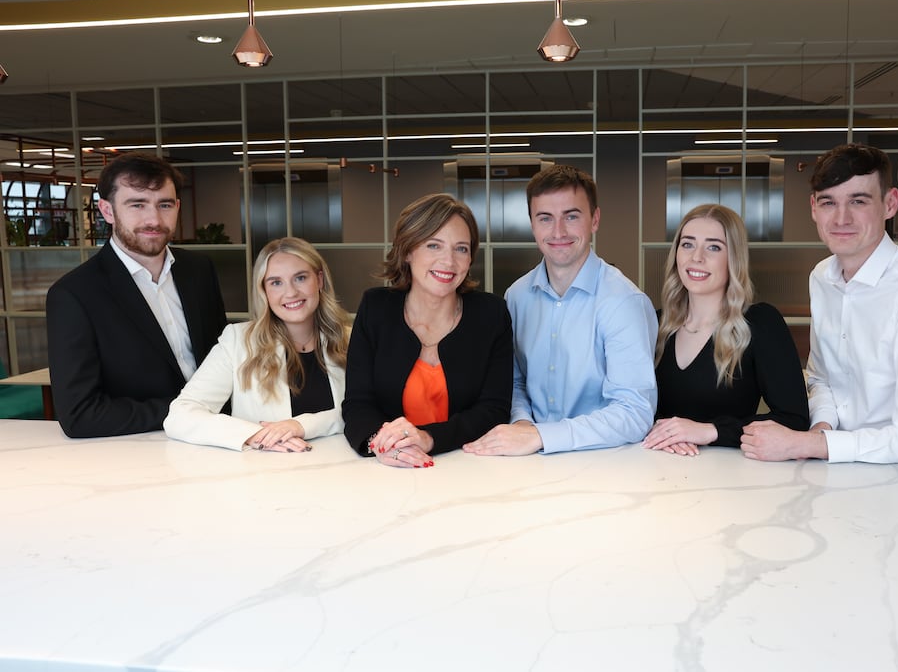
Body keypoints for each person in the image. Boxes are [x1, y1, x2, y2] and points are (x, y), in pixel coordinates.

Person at [740, 143, 898, 463]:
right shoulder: (822, 277)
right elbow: (822, 378)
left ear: (890, 204)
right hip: (831, 462)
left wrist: (806, 445)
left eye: (858, 200)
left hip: (895, 472)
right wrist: (821, 428)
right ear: (814, 208)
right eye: (829, 202)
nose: (841, 217)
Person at [465, 165, 658, 456]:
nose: (558, 231)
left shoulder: (623, 302)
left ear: (594, 219)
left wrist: (542, 436)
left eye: (571, 216)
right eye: (545, 218)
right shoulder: (516, 296)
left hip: (604, 462)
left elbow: (634, 413)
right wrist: (522, 424)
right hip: (528, 458)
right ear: (532, 224)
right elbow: (515, 381)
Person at [46, 152, 227, 438]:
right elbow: (79, 415)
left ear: (178, 207)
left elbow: (222, 360)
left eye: (164, 204)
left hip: (218, 437)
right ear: (107, 211)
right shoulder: (74, 295)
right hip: (137, 447)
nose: (153, 219)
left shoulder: (199, 270)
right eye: (137, 205)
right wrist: (186, 410)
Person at [342, 193, 512, 468]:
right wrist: (382, 444)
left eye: (461, 248)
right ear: (407, 251)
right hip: (389, 467)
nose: (449, 261)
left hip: (470, 464)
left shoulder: (491, 314)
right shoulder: (376, 307)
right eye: (434, 245)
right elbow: (358, 403)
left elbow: (494, 409)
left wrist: (428, 438)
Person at [643, 204, 809, 455]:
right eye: (687, 244)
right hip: (656, 466)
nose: (696, 257)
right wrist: (667, 433)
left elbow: (793, 419)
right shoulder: (654, 324)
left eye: (713, 247)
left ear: (733, 258)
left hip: (731, 477)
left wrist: (710, 431)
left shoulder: (760, 323)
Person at [164, 237, 349, 451]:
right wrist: (254, 435)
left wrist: (301, 425)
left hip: (343, 474)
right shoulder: (238, 341)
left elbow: (370, 411)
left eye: (300, 278)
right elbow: (180, 414)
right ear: (263, 290)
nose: (290, 293)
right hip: (263, 474)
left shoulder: (352, 340)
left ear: (319, 280)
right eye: (276, 283)